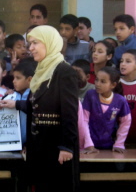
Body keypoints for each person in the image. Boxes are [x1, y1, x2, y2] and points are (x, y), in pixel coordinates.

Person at [25, 25, 80, 191]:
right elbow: (36, 106)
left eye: (35, 43)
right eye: (30, 43)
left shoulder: (64, 71)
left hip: (57, 148)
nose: (31, 48)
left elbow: (70, 112)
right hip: (40, 146)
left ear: (49, 43)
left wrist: (66, 146)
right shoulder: (41, 71)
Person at [82, 66, 131, 153]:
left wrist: (119, 143)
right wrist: (89, 144)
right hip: (89, 146)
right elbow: (84, 120)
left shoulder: (120, 101)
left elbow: (126, 122)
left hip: (109, 146)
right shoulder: (90, 96)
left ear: (113, 85)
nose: (97, 84)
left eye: (103, 81)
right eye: (97, 80)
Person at [0, 57, 37, 146]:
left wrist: (16, 104)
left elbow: (36, 109)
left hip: (32, 146)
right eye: (14, 77)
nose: (13, 81)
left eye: (18, 78)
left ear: (29, 80)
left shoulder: (37, 96)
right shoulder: (10, 95)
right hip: (10, 144)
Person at [120, 49, 136, 146]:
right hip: (118, 139)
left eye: (128, 61)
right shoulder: (114, 84)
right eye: (121, 61)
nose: (123, 64)